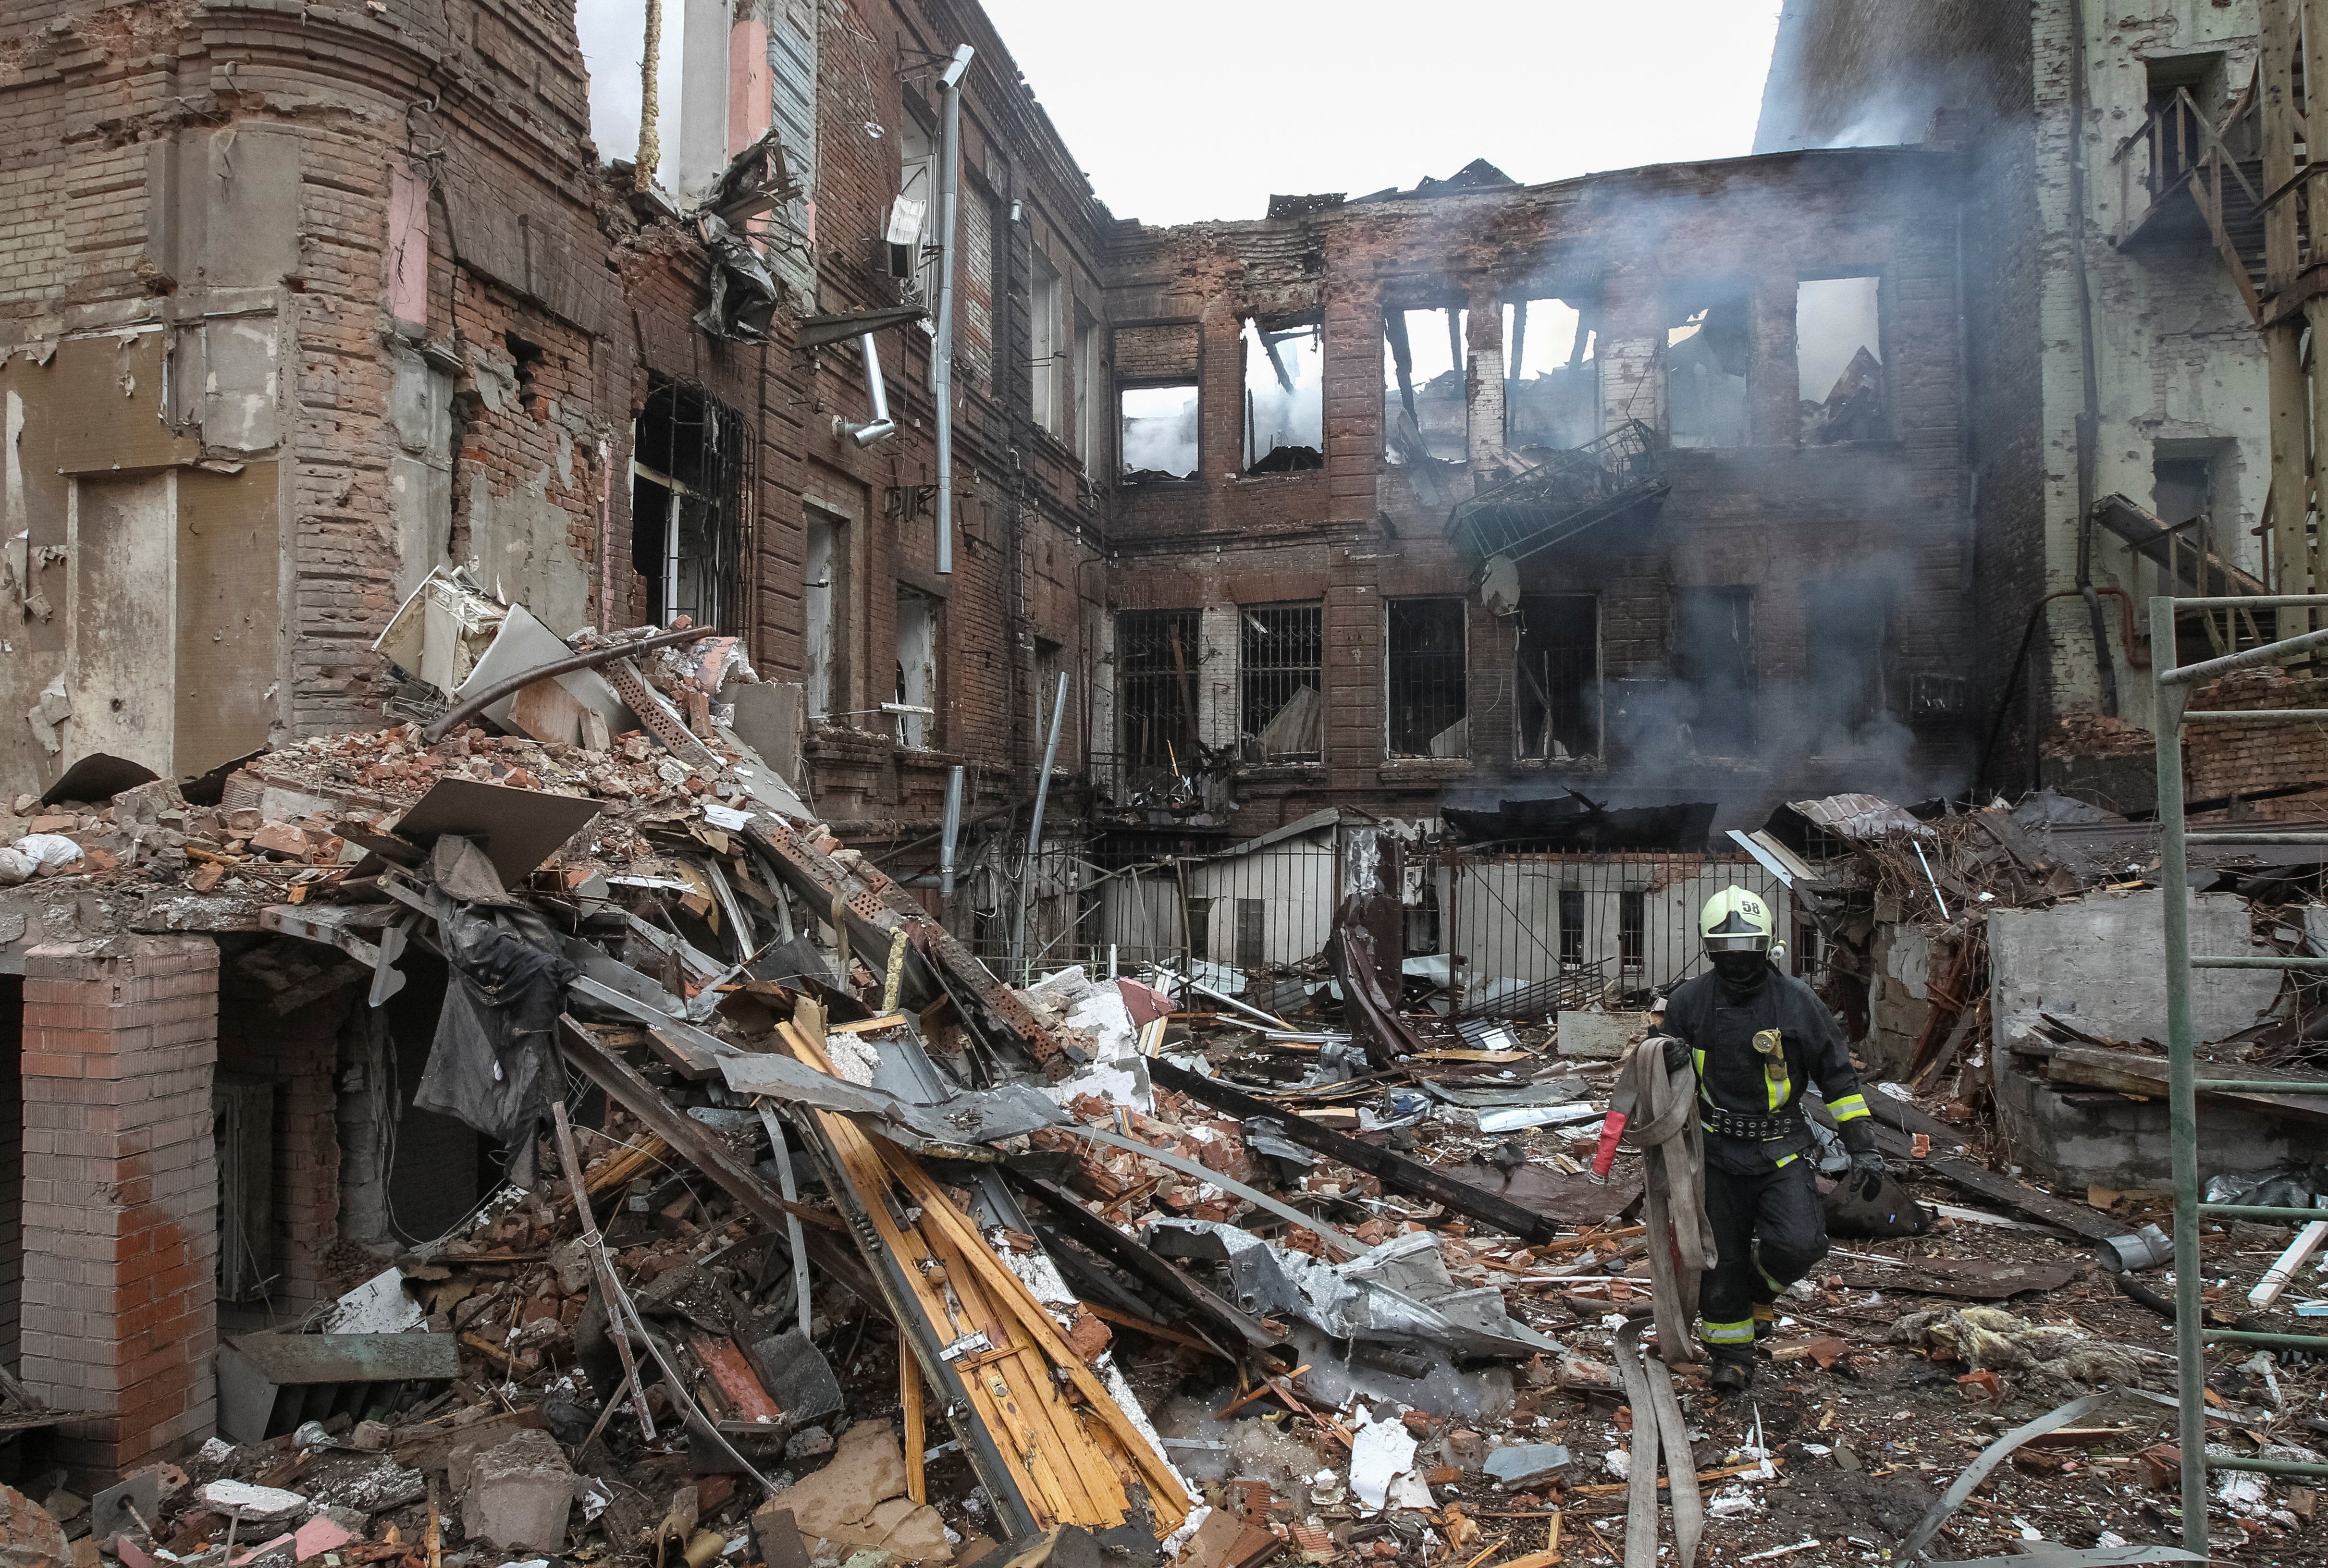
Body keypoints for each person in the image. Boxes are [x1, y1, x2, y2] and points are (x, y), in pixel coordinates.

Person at [1657, 885, 1884, 1393]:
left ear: (1767, 947)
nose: (1738, 963)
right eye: (1726, 954)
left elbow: (1839, 1079)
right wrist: (1663, 1057)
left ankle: (1759, 1294)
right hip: (1715, 1153)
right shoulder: (1689, 1003)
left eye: (1748, 953)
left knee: (1801, 1242)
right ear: (1709, 948)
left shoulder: (1798, 1003)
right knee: (1722, 1260)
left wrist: (1863, 1146)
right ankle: (1732, 1356)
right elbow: (1657, 1075)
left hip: (1781, 1148)